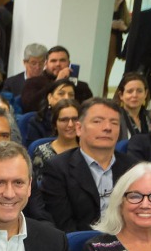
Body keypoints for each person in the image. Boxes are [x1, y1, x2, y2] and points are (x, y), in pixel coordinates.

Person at [38, 97, 137, 232]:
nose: (107, 128)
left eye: (114, 123)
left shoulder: (133, 167)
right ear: (79, 128)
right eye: (97, 121)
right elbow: (63, 225)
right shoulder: (57, 169)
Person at [21, 80, 80, 145]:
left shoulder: (80, 120)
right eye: (61, 94)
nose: (66, 98)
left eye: (71, 95)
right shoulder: (36, 122)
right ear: (50, 97)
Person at [30, 100, 80, 171]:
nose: (70, 124)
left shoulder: (88, 151)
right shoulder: (42, 152)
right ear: (54, 124)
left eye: (75, 119)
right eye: (64, 120)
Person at [107, 0, 131, 89]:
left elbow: (127, 29)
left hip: (115, 42)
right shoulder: (106, 8)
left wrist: (122, 27)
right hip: (105, 40)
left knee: (108, 70)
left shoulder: (124, 12)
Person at [114, 72, 151, 137]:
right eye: (130, 91)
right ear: (121, 95)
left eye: (139, 91)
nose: (134, 95)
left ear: (145, 93)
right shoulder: (114, 118)